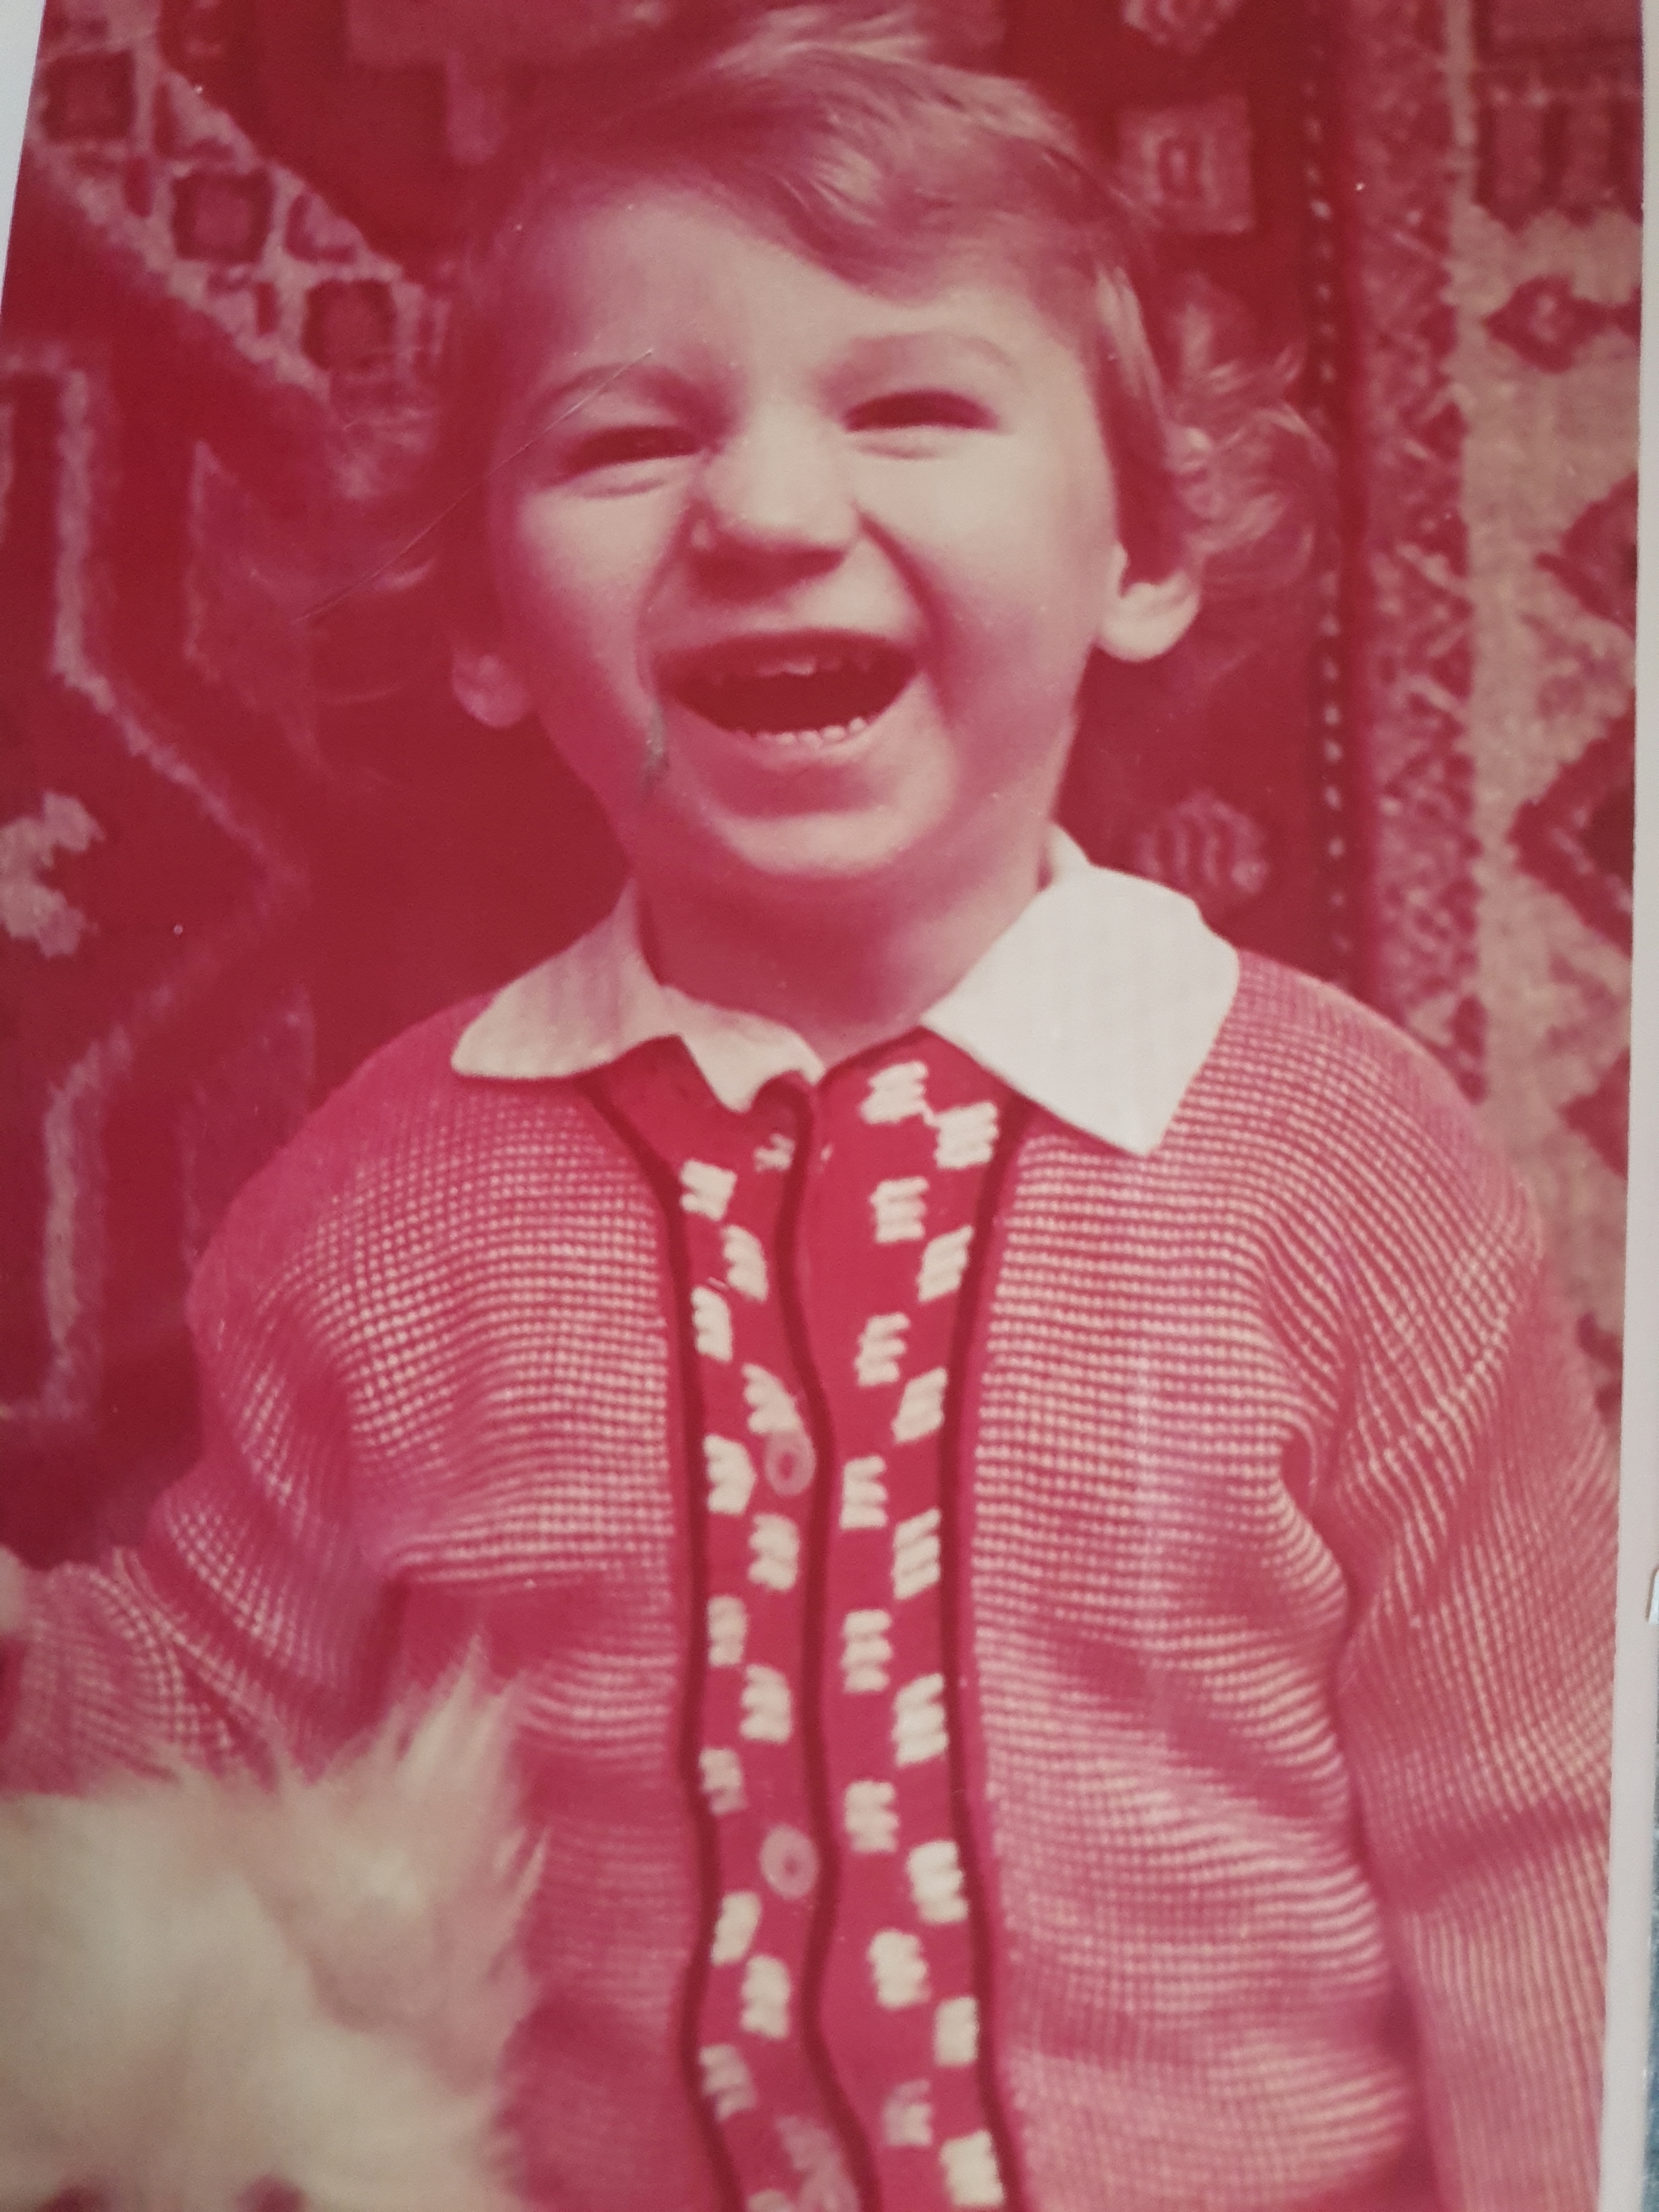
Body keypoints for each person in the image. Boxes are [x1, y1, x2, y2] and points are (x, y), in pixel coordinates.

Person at [0, 13, 1614, 2211]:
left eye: (914, 406)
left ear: (1143, 555)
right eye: (628, 438)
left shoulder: (1343, 1162)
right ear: (483, 626)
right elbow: (218, 1727)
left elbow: (1541, 1829)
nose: (763, 511)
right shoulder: (382, 1202)